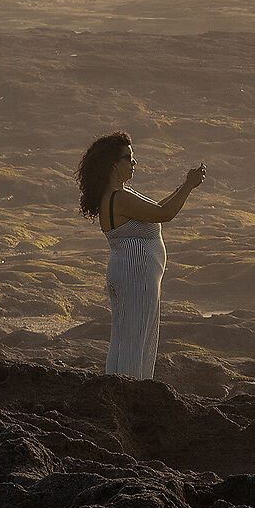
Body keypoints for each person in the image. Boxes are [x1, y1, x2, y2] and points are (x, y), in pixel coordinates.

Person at [78, 132, 206, 380]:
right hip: (134, 274)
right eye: (129, 158)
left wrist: (185, 185)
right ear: (114, 164)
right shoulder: (119, 197)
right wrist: (189, 185)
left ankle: (118, 387)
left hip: (130, 272)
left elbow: (157, 210)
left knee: (127, 336)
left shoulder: (118, 195)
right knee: (134, 338)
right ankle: (128, 390)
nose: (134, 162)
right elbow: (165, 213)